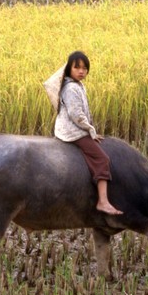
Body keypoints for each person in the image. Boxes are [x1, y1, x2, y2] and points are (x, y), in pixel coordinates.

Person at [54, 51, 123, 215]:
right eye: (77, 67)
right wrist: (90, 130)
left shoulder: (77, 85)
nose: (81, 71)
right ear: (69, 69)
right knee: (102, 158)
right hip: (72, 130)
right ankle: (103, 201)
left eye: (84, 68)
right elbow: (76, 115)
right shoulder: (71, 88)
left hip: (75, 127)